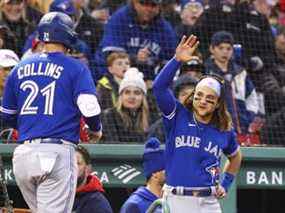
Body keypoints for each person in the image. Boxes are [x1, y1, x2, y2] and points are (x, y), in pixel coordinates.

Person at [0, 12, 102, 213]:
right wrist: (95, 128)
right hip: (56, 154)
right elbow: (89, 105)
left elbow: (6, 116)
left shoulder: (19, 68)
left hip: (23, 157)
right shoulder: (75, 67)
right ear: (69, 36)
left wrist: (33, 125)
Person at [153, 35, 242, 212]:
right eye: (199, 95)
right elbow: (159, 88)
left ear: (217, 104)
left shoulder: (224, 129)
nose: (202, 101)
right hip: (178, 199)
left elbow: (236, 157)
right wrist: (176, 60)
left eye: (209, 99)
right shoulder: (177, 115)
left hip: (209, 201)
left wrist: (226, 183)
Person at [94, 0, 177, 81]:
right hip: (112, 78)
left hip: (148, 82)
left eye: (153, 5)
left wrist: (155, 83)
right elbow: (111, 57)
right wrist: (135, 58)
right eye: (143, 3)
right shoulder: (119, 19)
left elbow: (169, 64)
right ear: (134, 2)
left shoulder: (165, 29)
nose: (148, 9)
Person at [204, 31, 259, 134]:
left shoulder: (241, 73)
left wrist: (249, 117)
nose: (225, 52)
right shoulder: (205, 71)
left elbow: (252, 98)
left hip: (241, 129)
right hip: (214, 129)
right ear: (212, 49)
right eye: (221, 48)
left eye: (228, 49)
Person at [100, 68, 155, 143]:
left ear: (143, 97)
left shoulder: (152, 117)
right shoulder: (109, 116)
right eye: (127, 92)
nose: (132, 97)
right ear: (121, 96)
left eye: (137, 93)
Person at [120, 137, 165, 213]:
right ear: (155, 174)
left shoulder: (169, 201)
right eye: (165, 170)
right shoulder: (134, 204)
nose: (170, 173)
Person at [73, 145, 113, 213]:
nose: (73, 168)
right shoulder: (55, 194)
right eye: (70, 164)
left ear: (88, 169)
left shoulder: (97, 203)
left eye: (78, 163)